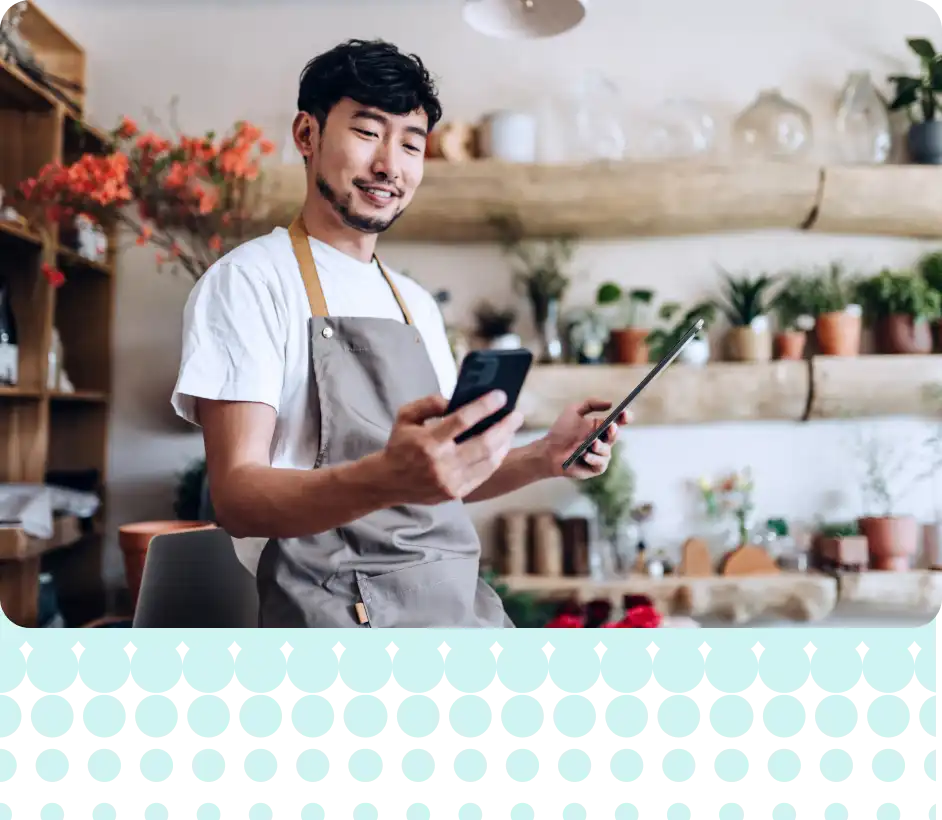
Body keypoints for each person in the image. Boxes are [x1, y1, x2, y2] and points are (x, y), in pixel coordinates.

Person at [171, 39, 629, 628]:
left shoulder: (413, 303)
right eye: (367, 133)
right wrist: (385, 477)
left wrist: (546, 456)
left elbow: (442, 486)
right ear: (307, 135)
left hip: (453, 606)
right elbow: (237, 497)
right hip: (334, 614)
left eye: (411, 143)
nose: (391, 164)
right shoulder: (248, 282)